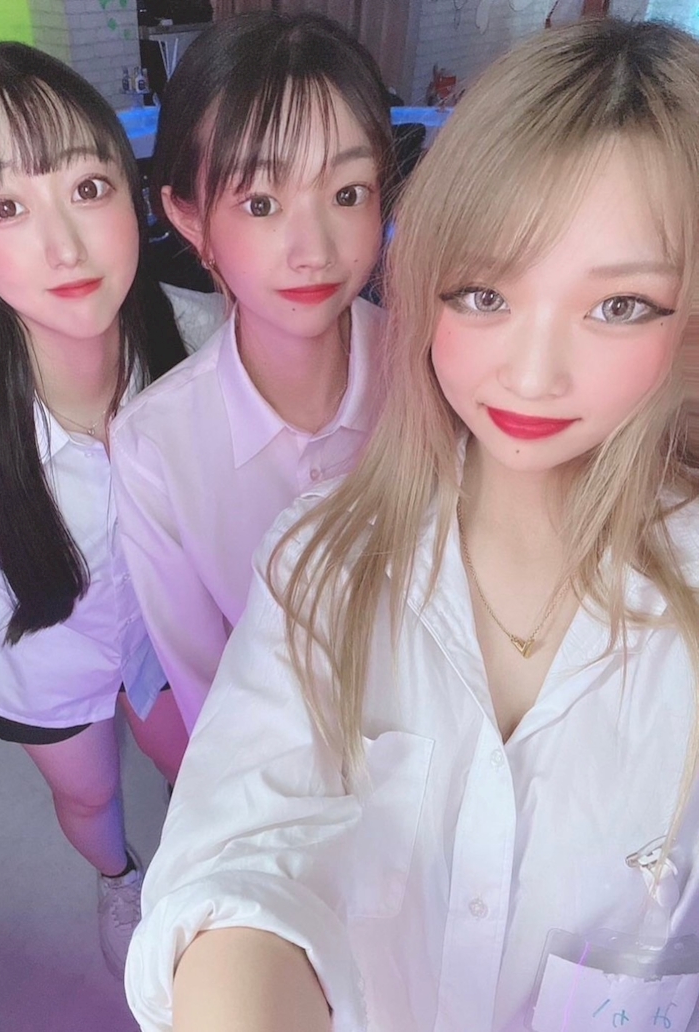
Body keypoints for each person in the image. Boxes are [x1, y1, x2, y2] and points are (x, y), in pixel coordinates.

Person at [125, 17, 699, 1032]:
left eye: (620, 306)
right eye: (483, 294)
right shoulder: (298, 547)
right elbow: (240, 837)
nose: (532, 375)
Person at [0, 42, 221, 977]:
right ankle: (120, 879)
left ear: (134, 195)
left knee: (197, 763)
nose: (64, 245)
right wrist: (31, 682)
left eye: (88, 188)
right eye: (5, 207)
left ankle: (208, 863)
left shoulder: (202, 337)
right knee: (90, 798)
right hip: (40, 658)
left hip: (169, 631)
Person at [110, 11, 395, 733]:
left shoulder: (439, 376)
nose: (314, 250)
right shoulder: (155, 447)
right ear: (191, 219)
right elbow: (207, 690)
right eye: (261, 203)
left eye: (348, 193)